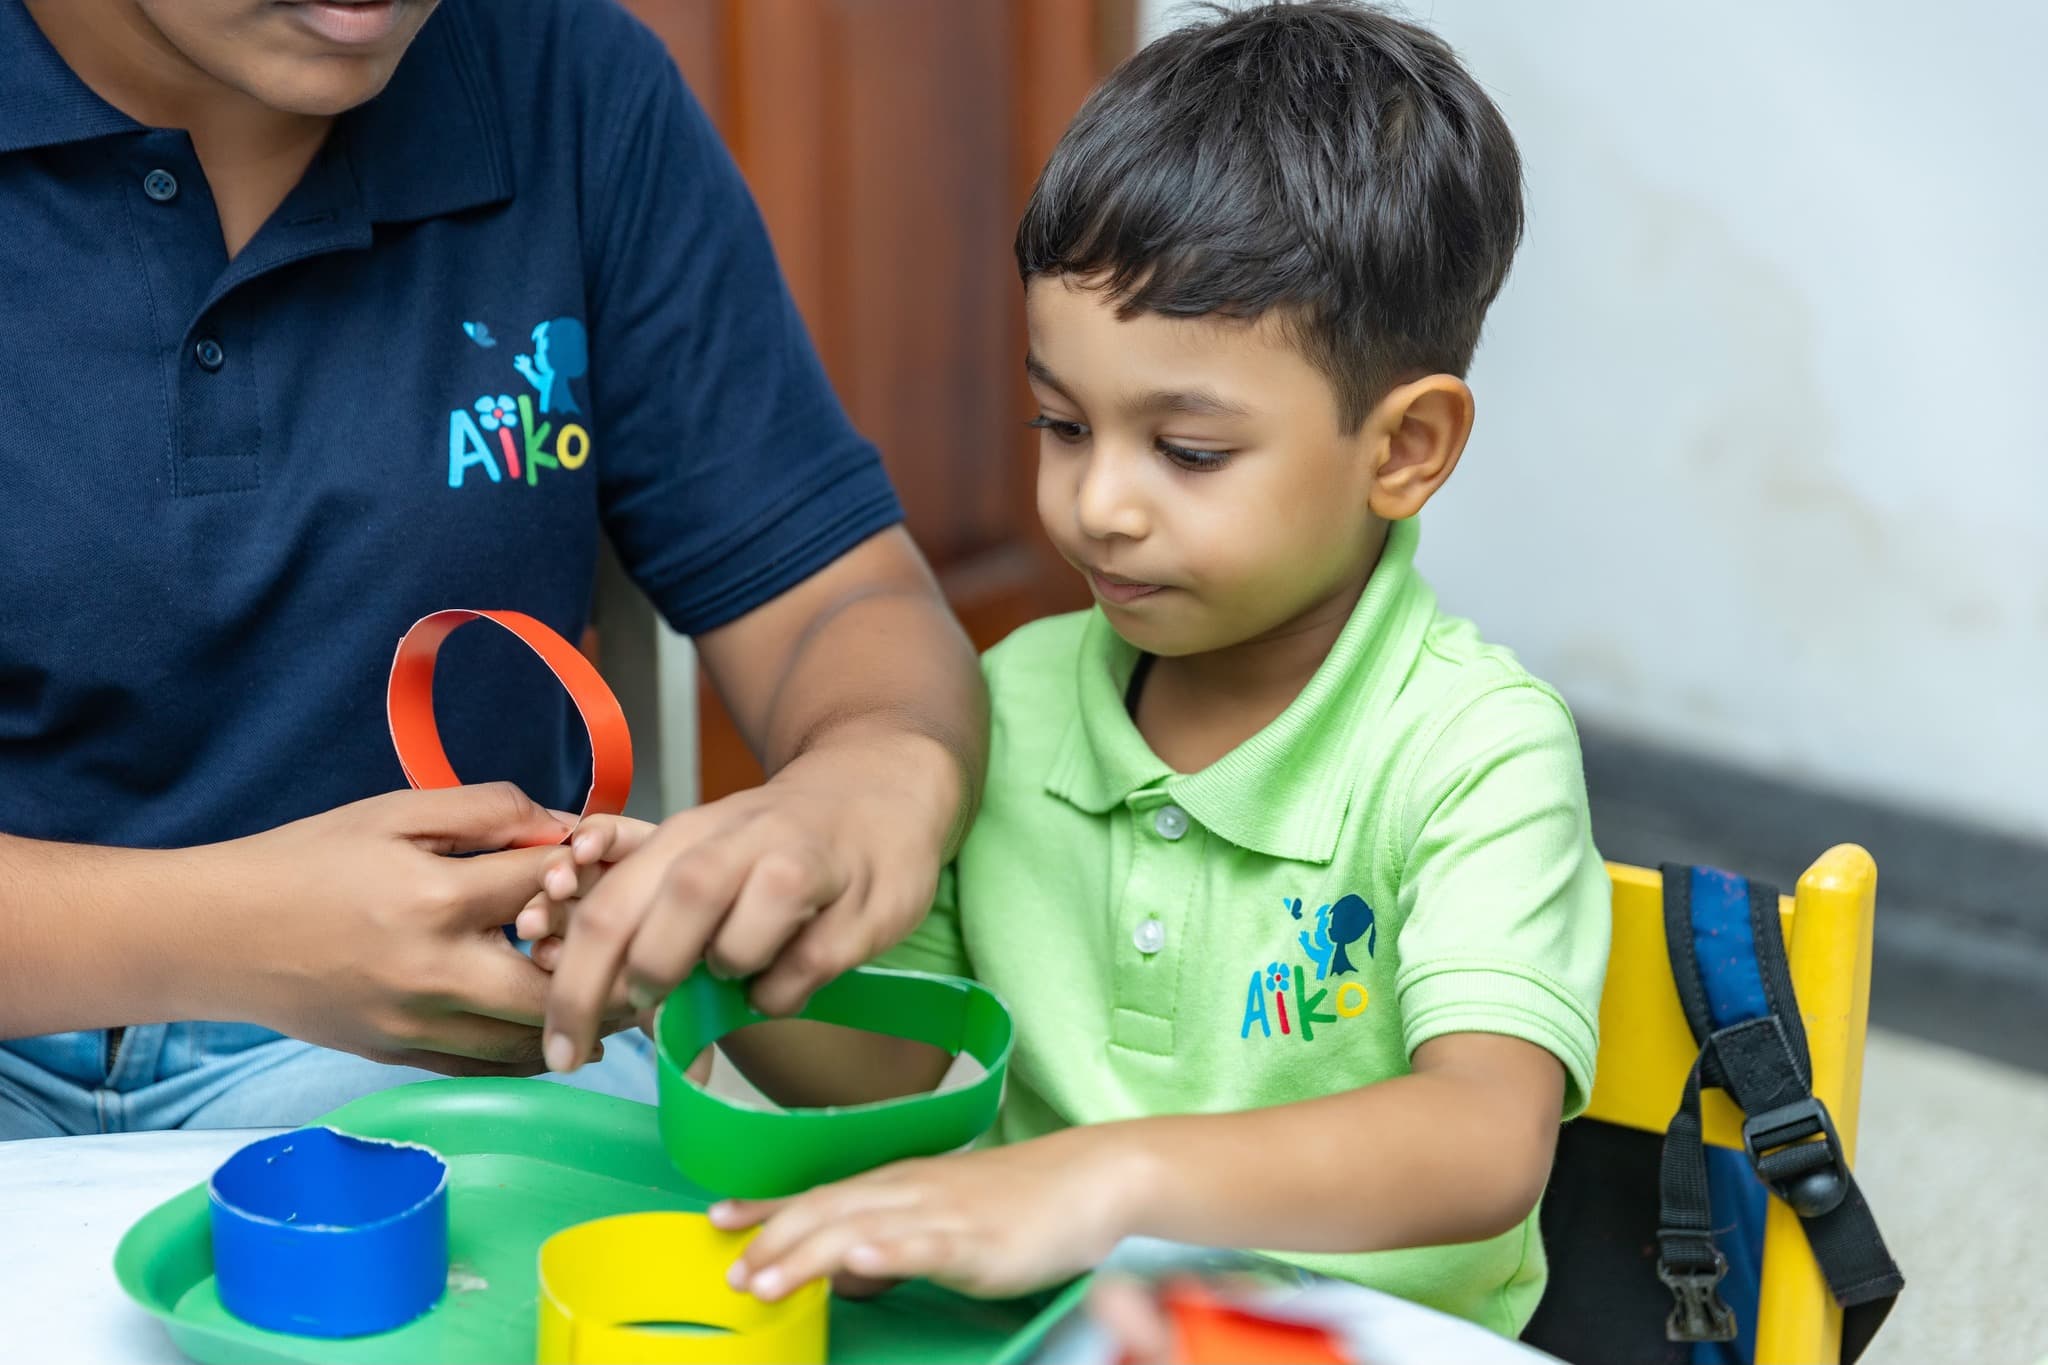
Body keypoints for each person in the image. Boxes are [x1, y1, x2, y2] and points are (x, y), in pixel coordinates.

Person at [538, 0, 1612, 1338]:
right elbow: (899, 1065)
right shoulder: (1014, 698)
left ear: (1405, 448)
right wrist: (698, 953)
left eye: (1189, 450)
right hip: (1054, 1327)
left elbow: (1478, 1141)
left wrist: (1104, 1179)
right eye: (1061, 423)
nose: (1099, 502)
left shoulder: (1477, 749)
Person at [0, 0, 983, 1138]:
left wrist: (874, 776)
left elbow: (840, 598)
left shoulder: (568, 84)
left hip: (437, 1054)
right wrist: (225, 936)